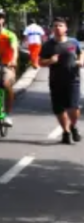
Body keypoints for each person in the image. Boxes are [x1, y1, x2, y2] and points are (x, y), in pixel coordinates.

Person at [39, 17, 83, 145]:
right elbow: (40, 62)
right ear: (52, 29)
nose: (58, 28)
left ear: (66, 28)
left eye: (60, 25)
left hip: (72, 79)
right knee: (59, 109)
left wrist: (81, 61)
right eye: (55, 26)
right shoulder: (48, 45)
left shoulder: (73, 42)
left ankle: (73, 126)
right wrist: (50, 61)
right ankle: (66, 132)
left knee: (73, 107)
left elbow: (80, 52)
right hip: (55, 80)